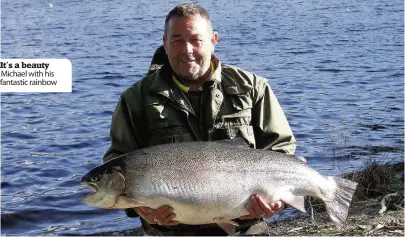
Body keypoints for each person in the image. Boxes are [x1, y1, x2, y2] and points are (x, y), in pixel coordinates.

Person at [103, 3, 296, 236]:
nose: (187, 50)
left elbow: (282, 152)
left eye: (196, 40)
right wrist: (141, 209)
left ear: (214, 40)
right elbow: (118, 164)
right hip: (170, 231)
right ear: (164, 43)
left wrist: (278, 201)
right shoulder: (135, 99)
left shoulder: (253, 88)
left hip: (245, 228)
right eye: (176, 40)